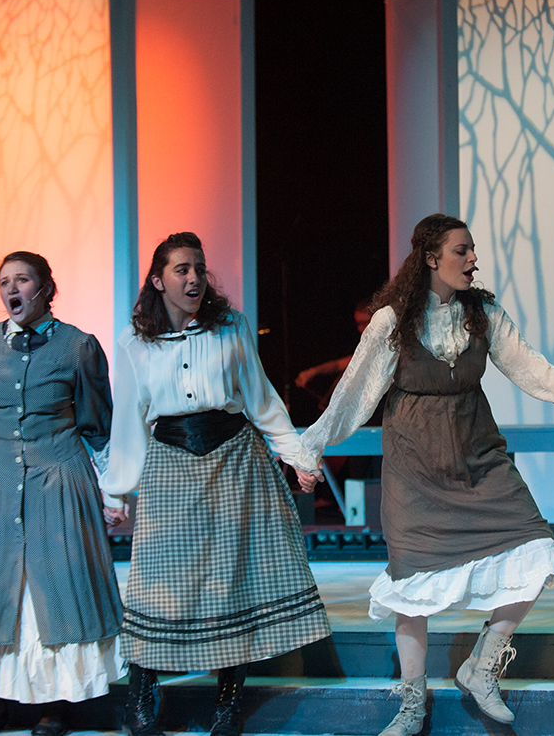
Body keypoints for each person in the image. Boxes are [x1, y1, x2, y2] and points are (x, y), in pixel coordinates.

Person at [300, 214, 554, 736]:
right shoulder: (392, 321)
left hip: (478, 457)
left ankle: (481, 666)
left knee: (537, 549)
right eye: (462, 250)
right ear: (431, 258)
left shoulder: (482, 314)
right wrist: (311, 448)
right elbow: (354, 394)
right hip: (415, 466)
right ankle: (412, 703)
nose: (473, 259)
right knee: (412, 585)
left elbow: (535, 371)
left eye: (473, 250)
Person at [100, 232, 331, 736]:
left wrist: (297, 456)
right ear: (158, 280)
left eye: (199, 269)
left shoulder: (230, 326)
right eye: (182, 269)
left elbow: (261, 399)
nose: (194, 278)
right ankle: (140, 698)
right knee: (157, 584)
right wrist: (116, 491)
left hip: (233, 459)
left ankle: (228, 704)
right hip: (170, 461)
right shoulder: (134, 341)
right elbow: (129, 419)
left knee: (232, 583)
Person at [0, 251, 125, 736]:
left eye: (22, 280)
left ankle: (54, 706)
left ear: (46, 288)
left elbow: (99, 430)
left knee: (54, 591)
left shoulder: (78, 347)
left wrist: (113, 494)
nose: (11, 289)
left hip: (59, 480)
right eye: (4, 281)